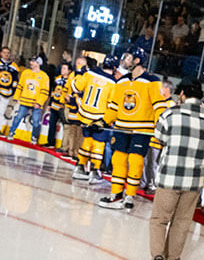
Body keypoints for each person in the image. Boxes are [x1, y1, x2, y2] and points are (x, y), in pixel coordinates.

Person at [144, 80, 204, 260]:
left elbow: (159, 137)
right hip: (194, 180)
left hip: (170, 177)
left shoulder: (170, 113)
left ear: (183, 94)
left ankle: (158, 257)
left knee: (160, 218)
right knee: (182, 221)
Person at [98, 46, 171, 211]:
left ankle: (130, 195)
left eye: (128, 57)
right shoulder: (122, 81)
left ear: (138, 61)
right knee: (118, 160)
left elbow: (160, 107)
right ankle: (116, 194)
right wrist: (103, 121)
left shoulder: (153, 82)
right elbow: (114, 107)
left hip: (141, 130)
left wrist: (161, 126)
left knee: (135, 161)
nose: (125, 60)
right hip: (122, 127)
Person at [73, 55, 116, 185]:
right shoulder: (113, 83)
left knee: (87, 141)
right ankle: (95, 170)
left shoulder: (90, 74)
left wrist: (80, 73)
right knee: (98, 143)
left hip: (85, 114)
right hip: (99, 117)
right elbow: (112, 105)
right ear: (114, 68)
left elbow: (76, 87)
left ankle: (80, 166)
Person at [8, 57, 50, 145]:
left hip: (36, 103)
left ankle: (34, 137)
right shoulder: (25, 73)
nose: (31, 62)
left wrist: (39, 103)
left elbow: (45, 92)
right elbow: (20, 86)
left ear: (38, 63)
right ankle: (11, 132)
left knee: (35, 121)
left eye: (33, 61)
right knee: (18, 117)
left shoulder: (44, 76)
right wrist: (16, 97)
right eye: (31, 61)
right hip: (24, 101)